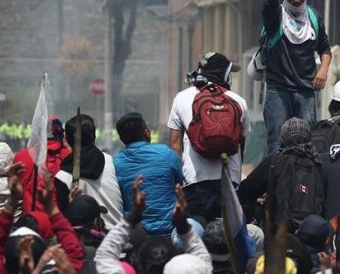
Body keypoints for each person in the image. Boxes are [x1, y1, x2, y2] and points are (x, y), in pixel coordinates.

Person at [167, 52, 251, 222]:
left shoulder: (182, 98)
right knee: (227, 239)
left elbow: (175, 146)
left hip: (195, 181)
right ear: (223, 73)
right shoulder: (238, 101)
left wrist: (179, 182)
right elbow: (241, 147)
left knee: (197, 233)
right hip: (229, 181)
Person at [262, 0, 332, 155]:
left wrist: (323, 70)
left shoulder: (314, 18)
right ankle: (274, 184)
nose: (296, 0)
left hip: (305, 91)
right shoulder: (276, 17)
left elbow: (325, 48)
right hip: (278, 89)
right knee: (276, 144)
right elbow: (269, 2)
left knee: (307, 145)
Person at [239, 117, 326, 228]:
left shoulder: (275, 160)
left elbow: (247, 189)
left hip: (279, 229)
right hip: (312, 229)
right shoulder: (318, 163)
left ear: (284, 136)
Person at [114, 112, 183, 236]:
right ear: (147, 133)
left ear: (122, 139)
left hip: (136, 235)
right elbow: (180, 182)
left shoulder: (116, 163)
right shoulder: (166, 154)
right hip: (170, 231)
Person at [54, 114, 123, 230]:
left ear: (69, 140)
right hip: (119, 233)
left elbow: (64, 220)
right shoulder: (109, 160)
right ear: (94, 136)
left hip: (87, 238)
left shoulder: (62, 177)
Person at [15, 115, 71, 213]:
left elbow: (16, 192)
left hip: (31, 221)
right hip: (60, 220)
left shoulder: (23, 156)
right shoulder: (69, 156)